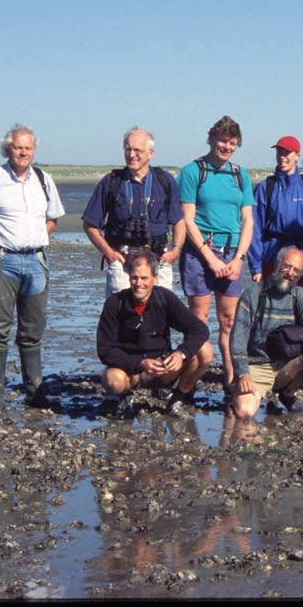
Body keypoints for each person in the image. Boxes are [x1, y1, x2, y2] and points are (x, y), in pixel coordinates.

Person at [0, 123, 65, 409]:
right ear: (7, 148)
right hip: (1, 261)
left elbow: (53, 217)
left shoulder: (43, 180)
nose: (23, 152)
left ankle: (35, 391)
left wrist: (35, 240)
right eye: (18, 147)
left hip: (36, 261)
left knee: (32, 330)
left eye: (28, 147)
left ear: (34, 150)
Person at [177, 115, 254, 396]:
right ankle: (190, 380)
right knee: (198, 319)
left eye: (232, 142)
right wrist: (210, 258)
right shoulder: (192, 172)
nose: (227, 146)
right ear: (211, 139)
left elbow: (248, 220)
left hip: (233, 251)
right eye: (222, 140)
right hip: (200, 255)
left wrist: (239, 258)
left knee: (230, 320)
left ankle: (232, 378)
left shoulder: (239, 174)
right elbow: (187, 219)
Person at [95, 251, 214, 417]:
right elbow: (105, 350)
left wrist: (181, 354)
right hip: (132, 370)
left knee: (205, 350)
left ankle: (179, 398)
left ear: (154, 279)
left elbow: (199, 329)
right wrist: (141, 363)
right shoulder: (115, 303)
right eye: (134, 277)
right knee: (112, 379)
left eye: (144, 278)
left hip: (163, 368)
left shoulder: (165, 298)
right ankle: (124, 397)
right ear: (129, 277)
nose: (138, 283)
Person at [82, 127, 186, 295]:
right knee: (121, 314)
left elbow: (179, 221)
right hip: (122, 260)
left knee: (159, 314)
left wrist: (176, 251)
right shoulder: (111, 182)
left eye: (137, 150)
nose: (132, 155)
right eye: (128, 149)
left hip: (158, 259)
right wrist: (108, 253)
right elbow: (90, 224)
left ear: (150, 153)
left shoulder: (164, 181)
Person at [229, 247, 303, 420]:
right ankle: (238, 393)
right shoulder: (253, 294)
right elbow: (238, 338)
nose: (290, 273)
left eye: (296, 270)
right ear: (277, 264)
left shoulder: (301, 296)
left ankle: (288, 394)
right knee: (244, 412)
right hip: (257, 366)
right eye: (287, 266)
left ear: (300, 275)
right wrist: (242, 373)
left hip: (286, 364)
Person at [247, 135, 303, 285]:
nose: (282, 157)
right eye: (279, 152)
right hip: (272, 258)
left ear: (297, 156)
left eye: (286, 153)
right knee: (269, 305)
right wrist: (256, 267)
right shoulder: (265, 187)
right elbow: (254, 230)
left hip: (301, 259)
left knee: (301, 304)